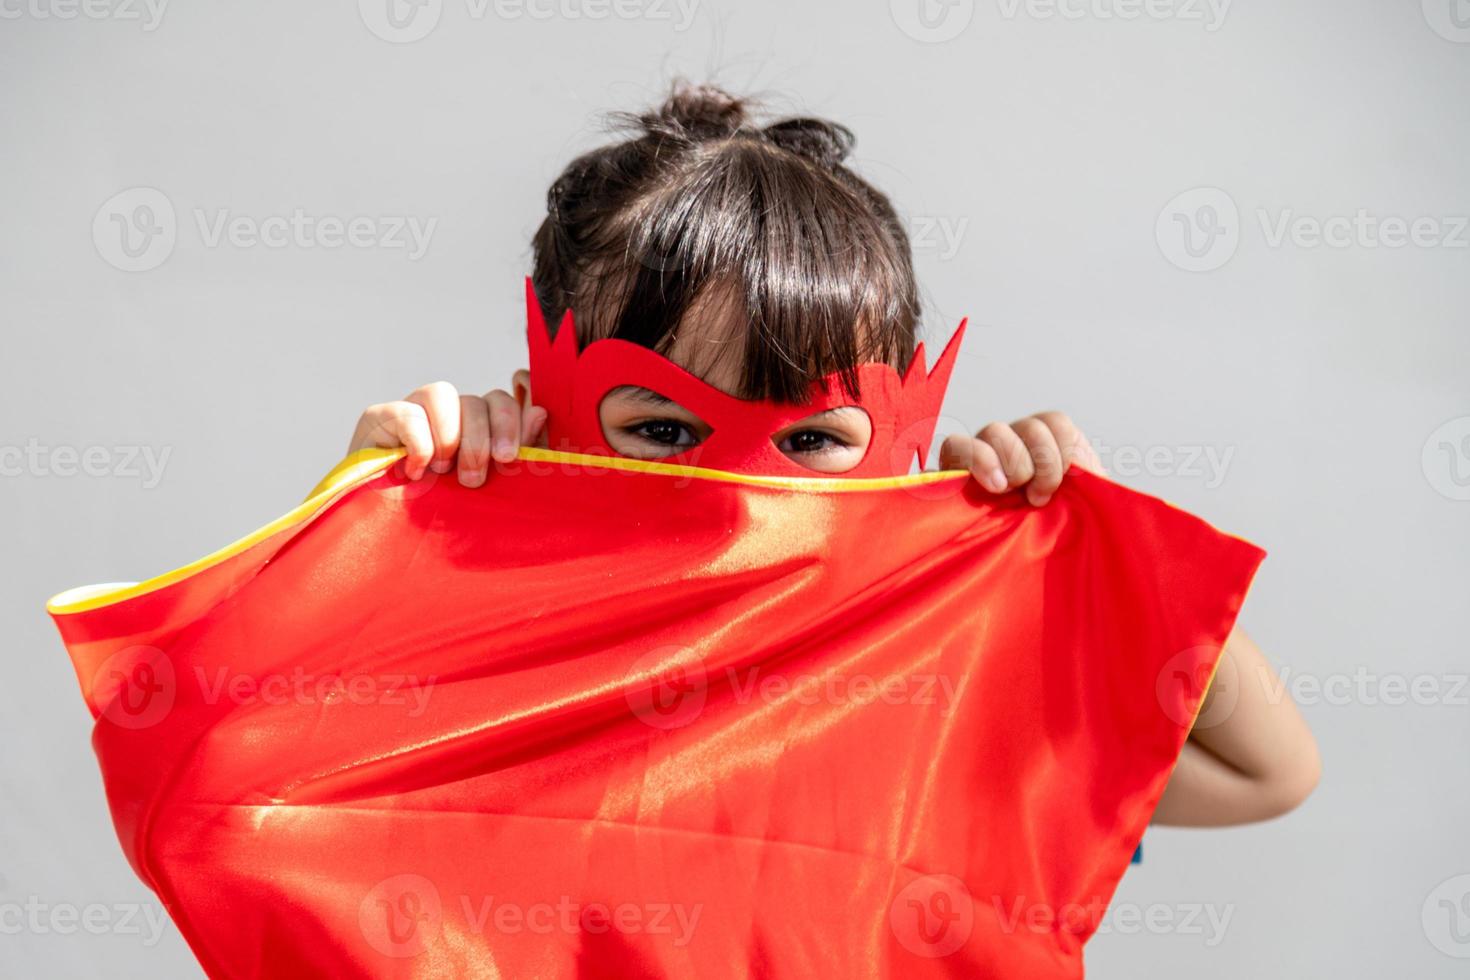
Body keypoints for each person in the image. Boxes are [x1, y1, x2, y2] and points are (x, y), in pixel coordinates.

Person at [346, 81, 1318, 827]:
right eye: (664, 429)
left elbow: (1269, 770)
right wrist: (371, 531)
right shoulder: (485, 669)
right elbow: (266, 775)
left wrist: (1116, 555)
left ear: (896, 456)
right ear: (539, 418)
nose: (736, 496)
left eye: (811, 439)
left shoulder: (941, 689)